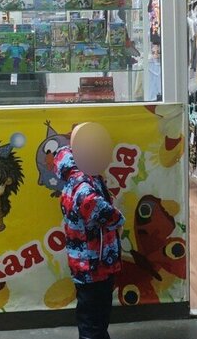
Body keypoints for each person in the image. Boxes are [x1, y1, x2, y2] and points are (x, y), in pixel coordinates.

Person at [54, 122, 124, 339]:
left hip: (90, 261)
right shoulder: (82, 184)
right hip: (93, 264)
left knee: (93, 316)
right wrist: (118, 218)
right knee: (94, 318)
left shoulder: (80, 175)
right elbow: (95, 207)